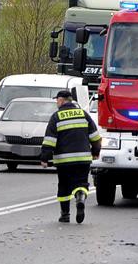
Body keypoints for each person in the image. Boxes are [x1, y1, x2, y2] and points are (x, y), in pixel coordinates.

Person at [40, 90, 101, 224]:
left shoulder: (56, 117)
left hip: (64, 161)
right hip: (83, 159)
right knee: (81, 183)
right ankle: (80, 198)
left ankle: (65, 215)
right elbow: (95, 137)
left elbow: (50, 140)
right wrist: (96, 152)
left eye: (57, 100)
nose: (56, 102)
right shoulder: (83, 114)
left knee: (64, 186)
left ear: (62, 100)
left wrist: (45, 158)